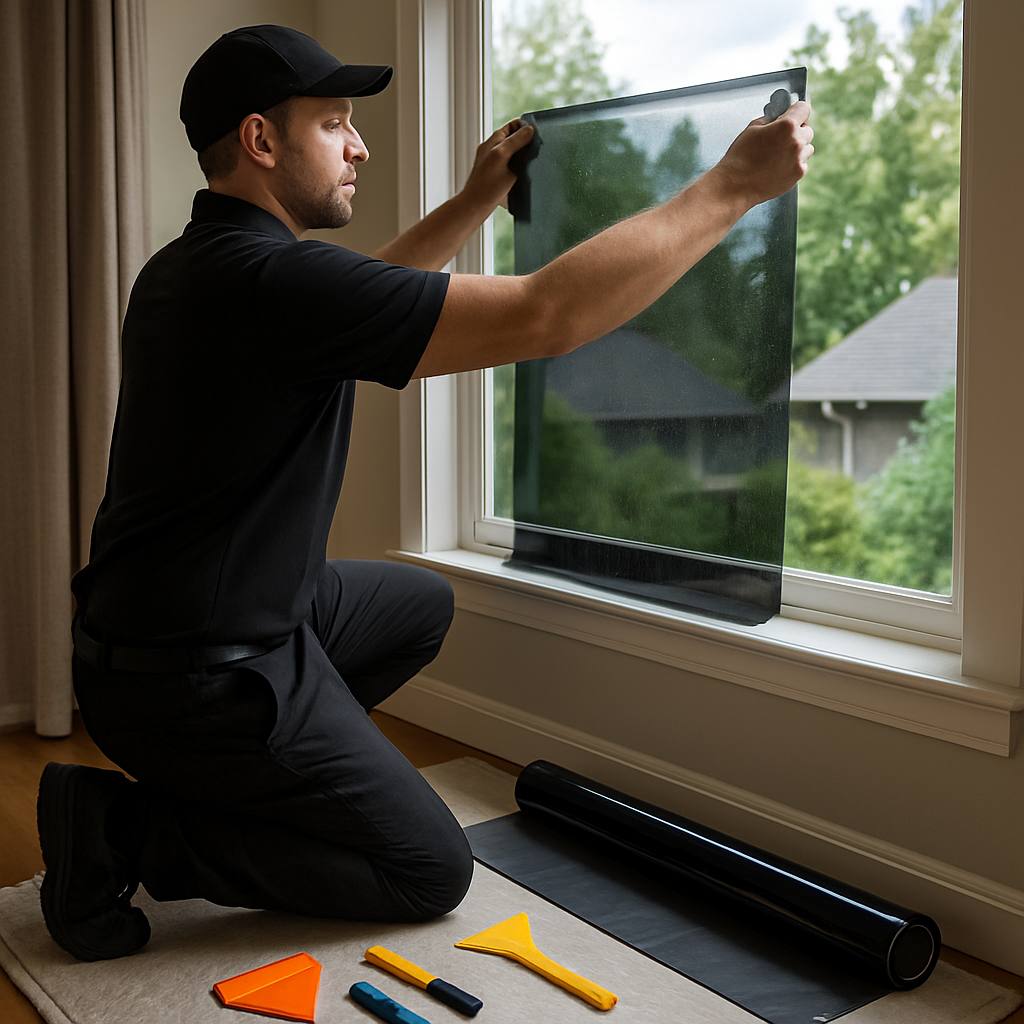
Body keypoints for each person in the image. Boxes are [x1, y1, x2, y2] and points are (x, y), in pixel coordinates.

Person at [37, 24, 813, 962]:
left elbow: (371, 292)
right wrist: (733, 186)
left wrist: (473, 203)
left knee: (418, 605)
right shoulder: (266, 280)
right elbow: (549, 315)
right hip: (197, 676)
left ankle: (266, 777)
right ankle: (125, 832)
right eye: (335, 124)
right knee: (427, 871)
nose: (358, 145)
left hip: (171, 631)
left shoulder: (199, 265)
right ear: (260, 140)